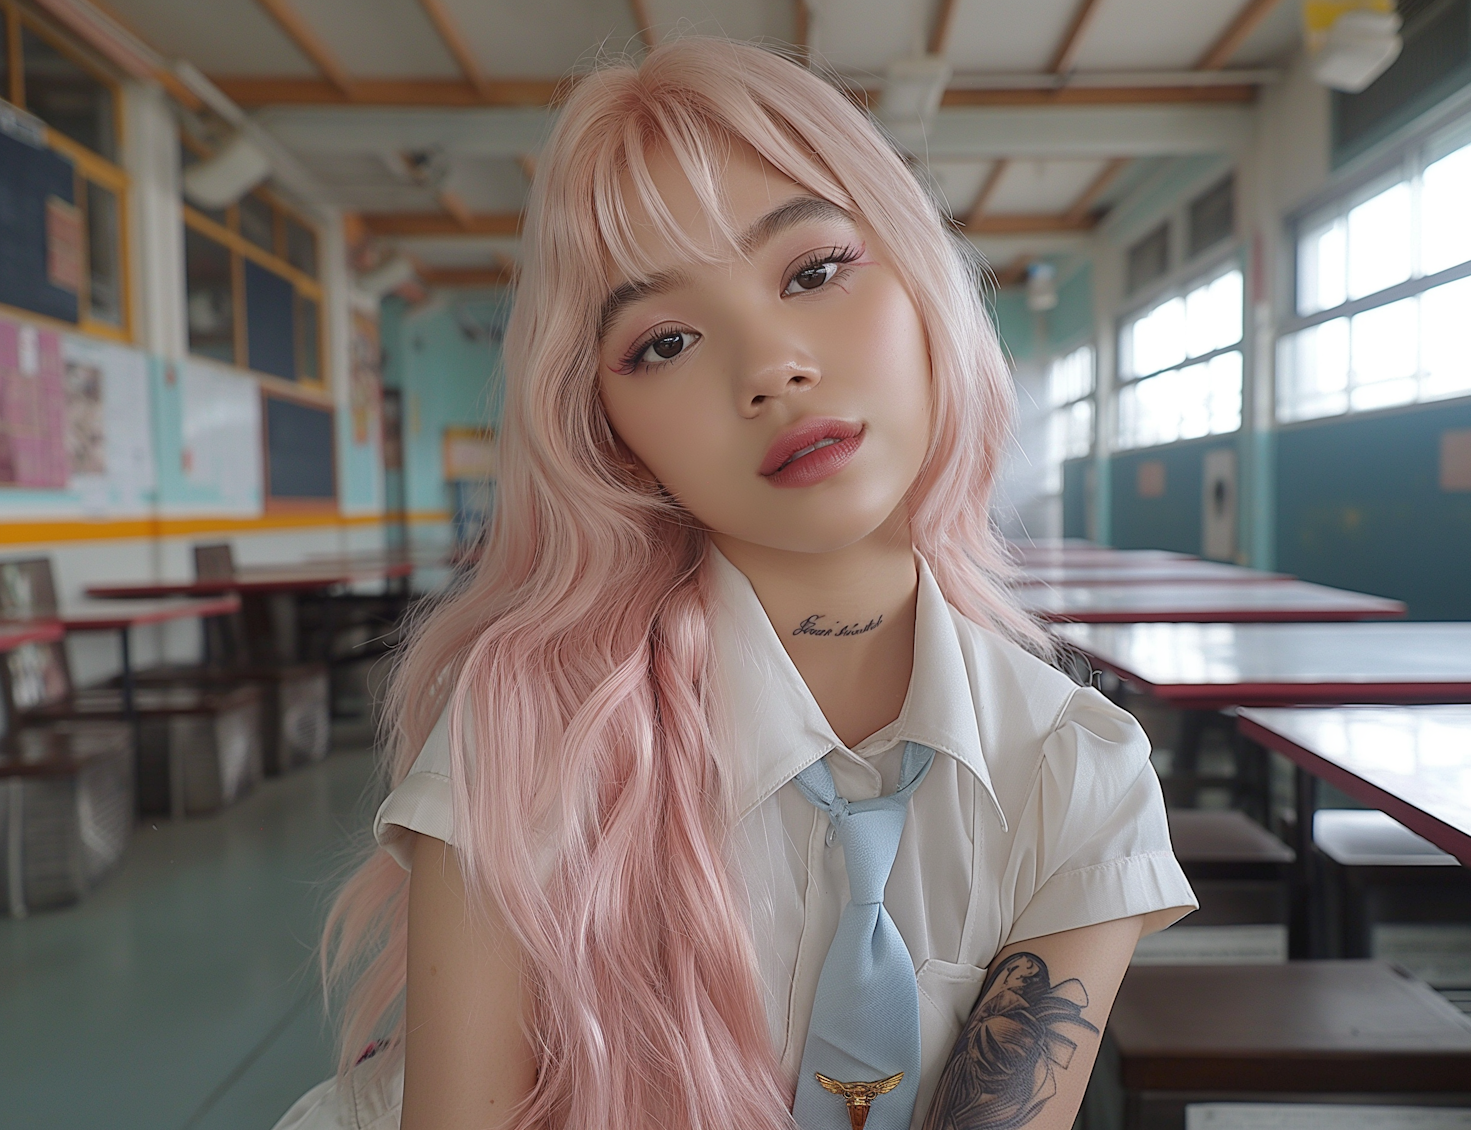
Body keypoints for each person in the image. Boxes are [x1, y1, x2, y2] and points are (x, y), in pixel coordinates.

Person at [273, 36, 1196, 1130]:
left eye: (813, 271)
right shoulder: (529, 728)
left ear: (922, 282)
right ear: (611, 437)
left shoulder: (1076, 771)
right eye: (663, 340)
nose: (770, 366)